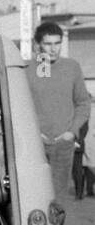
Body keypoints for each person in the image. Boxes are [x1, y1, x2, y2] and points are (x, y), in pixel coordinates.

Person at [26, 21, 91, 202]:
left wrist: (71, 132)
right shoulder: (28, 70)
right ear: (37, 44)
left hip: (63, 143)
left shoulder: (72, 67)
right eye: (48, 44)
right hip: (35, 145)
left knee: (58, 200)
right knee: (36, 199)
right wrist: (34, 135)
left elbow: (83, 103)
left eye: (57, 43)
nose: (53, 49)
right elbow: (23, 108)